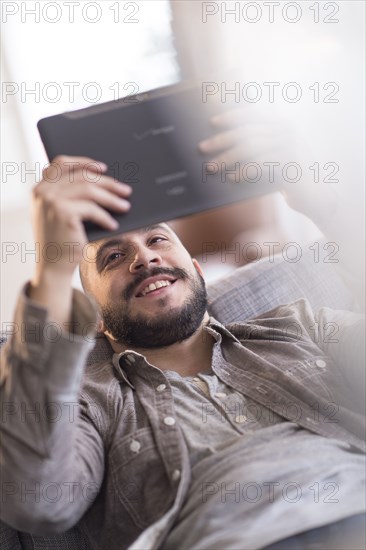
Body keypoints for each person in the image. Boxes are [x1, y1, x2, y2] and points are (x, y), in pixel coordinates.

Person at [0, 155, 365, 550]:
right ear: (96, 320)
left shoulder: (301, 326)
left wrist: (321, 198)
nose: (145, 258)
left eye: (157, 240)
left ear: (197, 270)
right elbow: (36, 500)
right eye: (114, 258)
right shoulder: (91, 401)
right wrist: (53, 271)